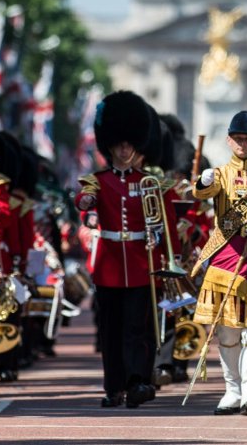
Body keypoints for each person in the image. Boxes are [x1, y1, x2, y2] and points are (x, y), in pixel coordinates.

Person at [74, 91, 173, 409]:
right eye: (120, 144)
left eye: (130, 143)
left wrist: (159, 252)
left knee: (138, 328)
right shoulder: (97, 181)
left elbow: (164, 224)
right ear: (110, 146)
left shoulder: (148, 182)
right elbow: (84, 201)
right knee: (111, 330)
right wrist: (87, 205)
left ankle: (138, 381)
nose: (126, 149)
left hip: (140, 263)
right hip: (110, 264)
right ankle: (113, 386)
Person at [191, 110, 247, 416]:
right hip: (226, 257)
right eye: (238, 139)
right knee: (227, 332)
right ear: (229, 140)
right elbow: (203, 193)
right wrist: (202, 180)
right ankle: (232, 389)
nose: (243, 144)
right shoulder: (222, 173)